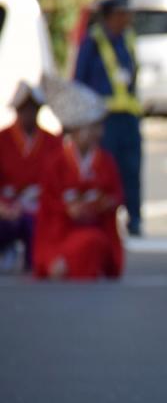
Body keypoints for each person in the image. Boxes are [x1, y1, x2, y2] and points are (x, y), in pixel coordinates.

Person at [32, 75, 124, 281]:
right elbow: (48, 204)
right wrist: (68, 209)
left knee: (93, 242)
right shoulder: (56, 163)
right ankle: (60, 260)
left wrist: (101, 204)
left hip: (95, 227)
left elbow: (115, 196)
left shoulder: (105, 161)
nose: (98, 133)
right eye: (92, 127)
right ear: (76, 130)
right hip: (62, 231)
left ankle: (71, 263)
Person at [74, 0, 143, 236]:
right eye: (121, 15)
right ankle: (106, 217)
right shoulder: (93, 42)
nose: (126, 19)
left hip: (129, 117)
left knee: (131, 169)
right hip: (104, 120)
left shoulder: (129, 40)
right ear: (109, 17)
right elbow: (79, 81)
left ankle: (135, 218)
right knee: (106, 169)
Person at [0, 81, 62, 272]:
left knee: (37, 227)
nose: (28, 115)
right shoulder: (3, 139)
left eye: (32, 110)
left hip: (39, 204)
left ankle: (35, 257)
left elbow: (58, 182)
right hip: (8, 204)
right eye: (24, 110)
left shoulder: (52, 141)